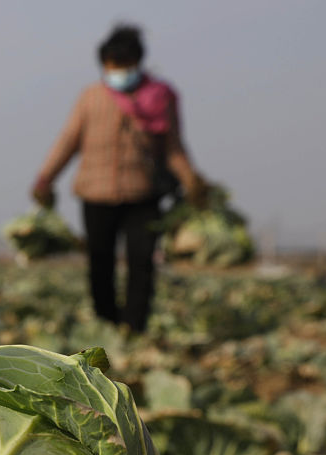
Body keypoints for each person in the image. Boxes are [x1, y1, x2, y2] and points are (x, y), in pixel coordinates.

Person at [30, 24, 206, 333]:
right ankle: (106, 325)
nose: (117, 72)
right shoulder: (91, 97)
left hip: (143, 194)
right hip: (95, 195)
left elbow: (174, 147)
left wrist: (191, 180)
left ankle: (134, 328)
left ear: (137, 63)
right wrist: (45, 178)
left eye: (123, 66)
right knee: (100, 263)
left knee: (142, 264)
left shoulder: (159, 97)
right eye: (111, 66)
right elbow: (68, 141)